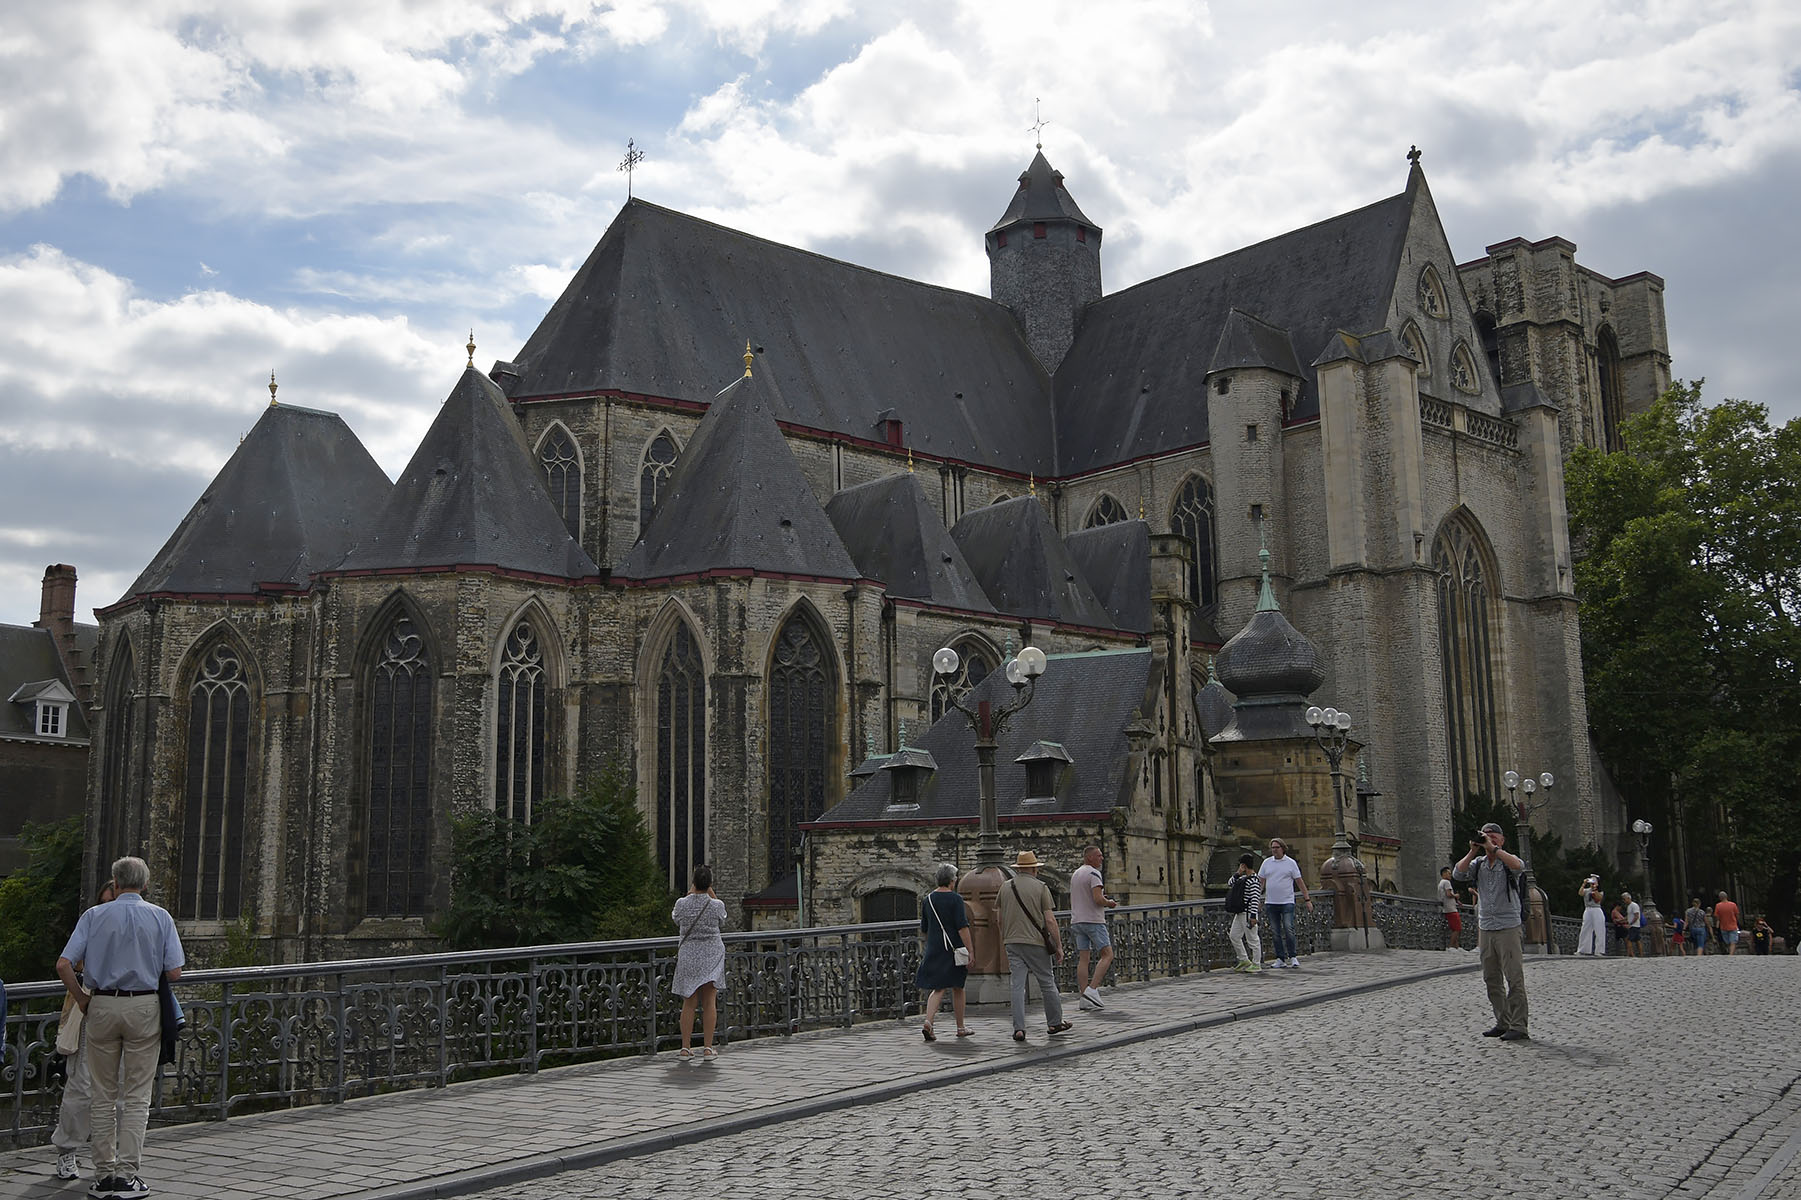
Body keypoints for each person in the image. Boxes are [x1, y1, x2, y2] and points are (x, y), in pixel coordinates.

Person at [55, 856, 184, 1200]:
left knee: (102, 1095)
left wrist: (82, 998)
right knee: (137, 1096)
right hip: (143, 1006)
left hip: (102, 1004)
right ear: (145, 884)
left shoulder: (94, 916)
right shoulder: (160, 916)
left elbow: (64, 964)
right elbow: (174, 972)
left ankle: (103, 1176)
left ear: (115, 883)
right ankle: (127, 1176)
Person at [52, 881, 119, 1181]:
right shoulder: (92, 921)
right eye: (104, 902)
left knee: (120, 1088)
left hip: (125, 1009)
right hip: (92, 1008)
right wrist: (82, 997)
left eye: (111, 902)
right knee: (81, 1084)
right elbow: (68, 963)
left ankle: (109, 1156)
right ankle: (67, 1150)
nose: (107, 907)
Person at [1451, 822, 1529, 1041]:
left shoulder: (1508, 861)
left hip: (1508, 927)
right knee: (1491, 978)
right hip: (1486, 927)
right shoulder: (1478, 864)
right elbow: (1458, 873)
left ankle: (1519, 1026)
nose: (1489, 838)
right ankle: (1503, 1021)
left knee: (1514, 978)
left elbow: (1519, 866)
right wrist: (1473, 850)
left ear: (1502, 840)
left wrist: (1493, 848)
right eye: (1486, 835)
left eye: (1494, 836)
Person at [995, 850, 1068, 1043]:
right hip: (1036, 942)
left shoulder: (1005, 887)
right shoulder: (1041, 887)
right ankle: (1054, 1022)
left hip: (1012, 942)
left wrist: (1006, 937)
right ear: (1034, 869)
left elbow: (999, 918)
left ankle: (1019, 1028)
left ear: (1019, 869)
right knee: (1046, 981)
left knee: (1017, 985)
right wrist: (1058, 946)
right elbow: (1050, 920)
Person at [670, 863, 727, 1061]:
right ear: (710, 883)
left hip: (689, 955)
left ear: (693, 882)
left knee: (689, 1002)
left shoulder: (681, 904)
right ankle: (708, 1048)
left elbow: (676, 919)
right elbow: (722, 919)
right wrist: (710, 892)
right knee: (709, 1002)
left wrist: (690, 893)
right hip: (711, 955)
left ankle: (685, 1048)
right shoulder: (716, 905)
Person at [916, 863, 973, 1040]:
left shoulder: (928, 900)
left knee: (938, 988)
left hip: (935, 948)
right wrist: (970, 951)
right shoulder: (956, 899)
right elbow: (962, 927)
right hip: (954, 949)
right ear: (952, 880)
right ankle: (960, 1027)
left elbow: (924, 928)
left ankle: (928, 1021)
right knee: (958, 987)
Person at [1069, 845, 1118, 1008]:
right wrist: (1109, 903)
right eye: (1098, 856)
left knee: (1084, 958)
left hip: (1077, 921)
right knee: (1107, 955)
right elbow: (1097, 899)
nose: (1101, 858)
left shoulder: (1076, 874)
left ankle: (1084, 997)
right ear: (1089, 857)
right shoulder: (1094, 873)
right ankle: (1092, 989)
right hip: (1093, 920)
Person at [1257, 838, 1313, 968]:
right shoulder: (1266, 863)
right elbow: (1261, 882)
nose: (1274, 850)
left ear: (1283, 848)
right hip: (1271, 902)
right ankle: (1280, 958)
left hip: (1287, 901)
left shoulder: (1290, 863)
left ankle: (1293, 956)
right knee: (1275, 932)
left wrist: (1307, 899)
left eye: (1277, 847)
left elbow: (1299, 882)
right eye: (1273, 848)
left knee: (1289, 929)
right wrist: (1257, 899)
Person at [1224, 853, 1265, 972]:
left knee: (1252, 939)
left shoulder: (1254, 881)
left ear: (1243, 865)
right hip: (1240, 912)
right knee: (1234, 936)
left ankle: (1256, 964)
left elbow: (1255, 899)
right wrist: (1238, 873)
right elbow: (1230, 883)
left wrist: (1253, 916)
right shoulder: (1243, 878)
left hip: (1248, 913)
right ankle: (1243, 959)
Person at [1577, 875, 1606, 957]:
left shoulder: (1600, 891)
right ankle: (1583, 949)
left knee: (1599, 930)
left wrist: (1595, 889)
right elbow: (1580, 893)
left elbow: (1598, 899)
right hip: (1588, 909)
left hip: (1596, 909)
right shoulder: (1587, 890)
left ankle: (1599, 950)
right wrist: (1583, 884)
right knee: (1585, 929)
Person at [1438, 866, 1463, 951]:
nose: (1450, 875)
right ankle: (1451, 946)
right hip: (1451, 909)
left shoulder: (1441, 883)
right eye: (1449, 873)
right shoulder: (1446, 882)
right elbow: (1448, 894)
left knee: (1454, 928)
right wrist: (1456, 895)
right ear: (1444, 874)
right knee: (1457, 928)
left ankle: (1456, 947)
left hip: (1447, 908)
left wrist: (1456, 901)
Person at [1622, 893, 1642, 958]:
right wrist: (1622, 920)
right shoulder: (1629, 906)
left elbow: (1636, 916)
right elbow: (1629, 916)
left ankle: (1629, 954)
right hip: (1633, 925)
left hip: (1634, 926)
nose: (1624, 901)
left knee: (1629, 940)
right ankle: (1640, 954)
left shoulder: (1634, 905)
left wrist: (1630, 924)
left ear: (1628, 898)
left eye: (1624, 899)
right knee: (1637, 940)